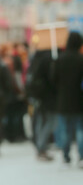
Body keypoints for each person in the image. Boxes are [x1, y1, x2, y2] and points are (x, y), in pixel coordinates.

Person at [53, 32, 83, 167]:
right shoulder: (81, 59)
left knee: (64, 129)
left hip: (63, 99)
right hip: (79, 99)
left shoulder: (60, 59)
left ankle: (66, 155)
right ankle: (81, 156)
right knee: (80, 129)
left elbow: (53, 79)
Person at [26, 49, 57, 161]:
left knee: (40, 121)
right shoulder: (47, 61)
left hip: (37, 98)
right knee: (50, 121)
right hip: (47, 99)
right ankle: (41, 147)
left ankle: (40, 146)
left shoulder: (34, 63)